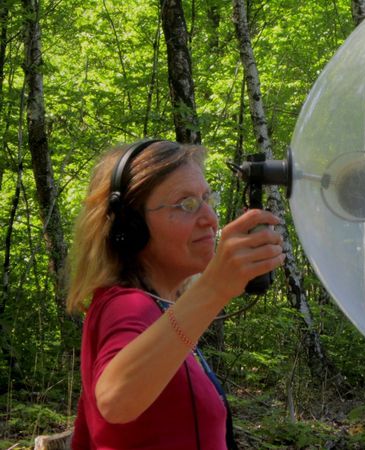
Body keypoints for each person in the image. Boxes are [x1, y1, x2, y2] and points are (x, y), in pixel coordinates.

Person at [67, 139, 285, 450]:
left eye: (206, 198)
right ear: (131, 226)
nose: (210, 218)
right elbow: (116, 400)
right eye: (186, 204)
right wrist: (214, 288)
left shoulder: (161, 310)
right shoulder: (127, 306)